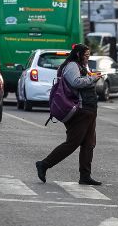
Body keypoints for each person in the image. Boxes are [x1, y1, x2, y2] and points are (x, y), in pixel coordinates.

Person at [35, 44, 103, 186]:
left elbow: (83, 81)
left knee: (89, 144)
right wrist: (93, 79)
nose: (87, 57)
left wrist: (91, 76)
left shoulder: (81, 66)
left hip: (89, 109)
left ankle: (85, 176)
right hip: (79, 110)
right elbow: (76, 82)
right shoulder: (72, 65)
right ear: (77, 54)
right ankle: (44, 164)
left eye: (89, 55)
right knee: (73, 143)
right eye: (85, 55)